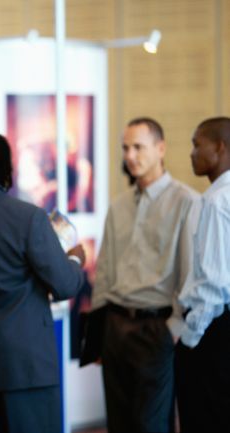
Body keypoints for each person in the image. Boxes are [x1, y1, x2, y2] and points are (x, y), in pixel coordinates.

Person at [0, 131, 85, 433]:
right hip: (28, 365)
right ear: (7, 167)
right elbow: (65, 285)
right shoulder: (28, 217)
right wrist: (75, 259)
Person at [92, 117, 199, 433]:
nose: (130, 155)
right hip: (115, 326)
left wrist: (173, 328)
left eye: (139, 147)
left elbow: (190, 271)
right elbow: (104, 270)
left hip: (156, 328)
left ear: (161, 148)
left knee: (150, 425)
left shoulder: (187, 201)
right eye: (126, 148)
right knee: (119, 423)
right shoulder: (119, 206)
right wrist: (99, 333)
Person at [176, 116, 230, 432]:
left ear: (220, 148)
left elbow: (214, 283)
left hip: (213, 331)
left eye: (198, 145)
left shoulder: (216, 200)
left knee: (203, 418)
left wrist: (190, 336)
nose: (192, 153)